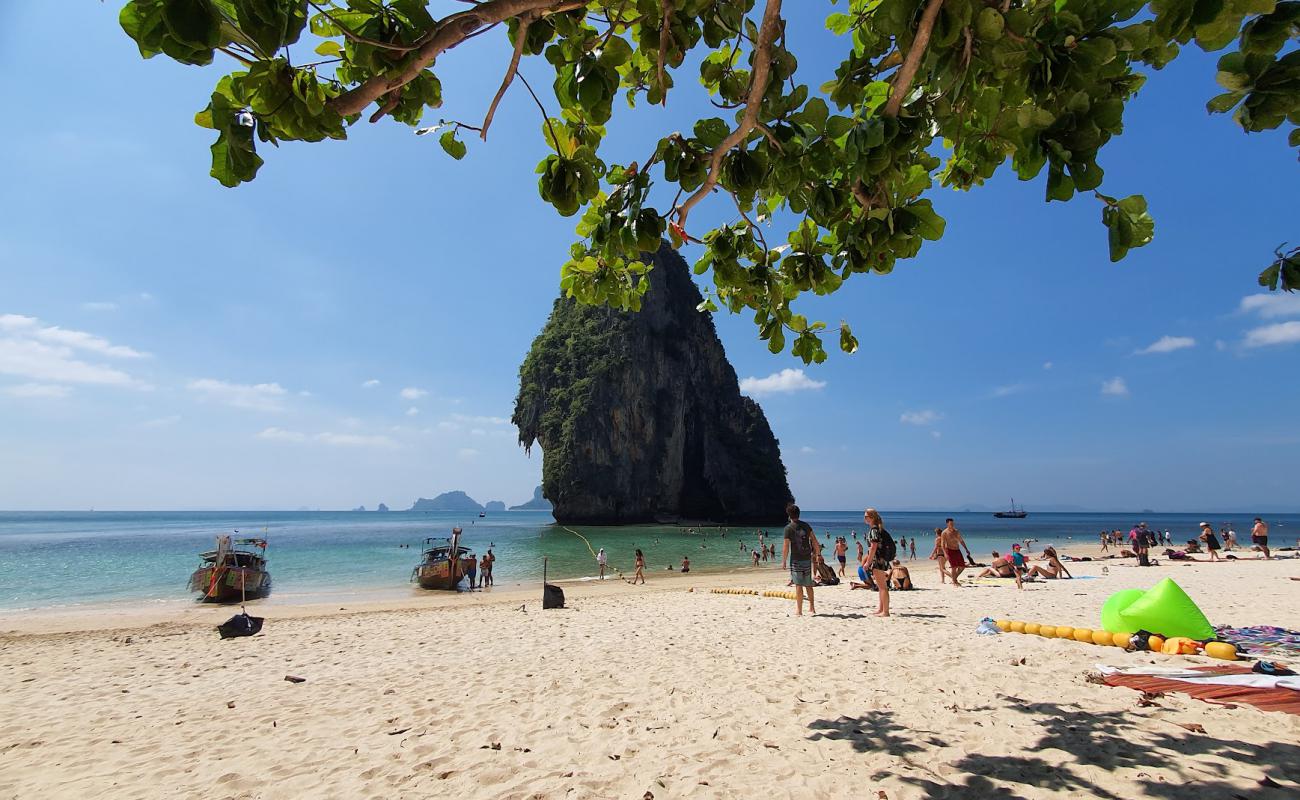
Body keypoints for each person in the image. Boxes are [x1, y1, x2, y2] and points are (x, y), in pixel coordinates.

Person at [781, 503, 819, 616]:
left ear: (789, 515)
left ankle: (799, 610)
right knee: (808, 584)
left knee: (798, 584)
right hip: (807, 558)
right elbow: (814, 540)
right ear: (798, 514)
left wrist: (783, 561)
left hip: (796, 560)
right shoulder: (806, 525)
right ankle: (812, 608)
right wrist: (818, 554)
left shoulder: (788, 528)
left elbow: (786, 546)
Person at [863, 508, 894, 617]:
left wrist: (868, 562)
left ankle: (885, 611)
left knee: (882, 587)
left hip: (878, 561)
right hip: (881, 560)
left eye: (866, 516)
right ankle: (881, 609)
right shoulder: (877, 529)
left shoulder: (874, 530)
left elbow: (873, 547)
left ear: (871, 518)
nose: (864, 518)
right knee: (881, 586)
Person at [940, 518, 973, 586]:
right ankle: (954, 582)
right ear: (947, 524)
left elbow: (961, 541)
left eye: (953, 523)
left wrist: (966, 549)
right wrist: (945, 553)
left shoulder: (956, 531)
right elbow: (942, 544)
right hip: (950, 550)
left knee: (962, 567)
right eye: (951, 523)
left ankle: (954, 578)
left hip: (957, 550)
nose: (952, 525)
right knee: (954, 567)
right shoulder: (944, 533)